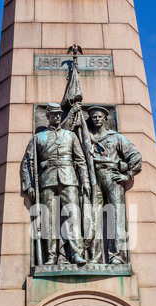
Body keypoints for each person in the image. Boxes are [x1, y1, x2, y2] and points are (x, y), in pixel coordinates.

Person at [22, 103, 90, 265]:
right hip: (47, 180)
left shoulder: (70, 136)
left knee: (72, 215)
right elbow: (28, 162)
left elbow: (80, 161)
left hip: (68, 178)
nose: (57, 117)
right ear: (47, 116)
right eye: (53, 114)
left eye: (59, 114)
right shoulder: (38, 138)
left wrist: (85, 180)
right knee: (48, 219)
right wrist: (29, 184)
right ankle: (51, 256)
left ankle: (76, 254)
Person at [87, 106, 142, 264]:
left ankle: (116, 255)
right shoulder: (87, 137)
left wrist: (128, 175)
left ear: (105, 119)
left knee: (116, 215)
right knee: (93, 215)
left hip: (112, 176)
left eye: (99, 117)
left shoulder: (116, 137)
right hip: (93, 176)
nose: (97, 119)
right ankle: (94, 256)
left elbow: (135, 156)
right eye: (94, 117)